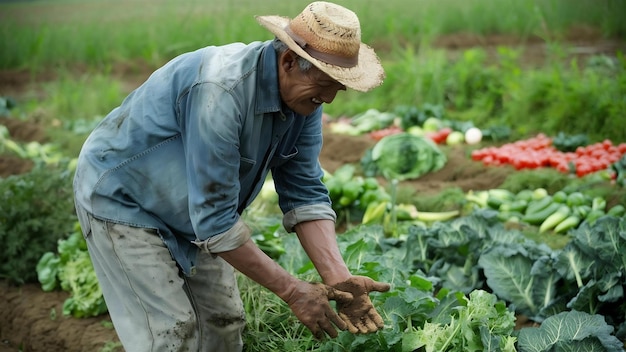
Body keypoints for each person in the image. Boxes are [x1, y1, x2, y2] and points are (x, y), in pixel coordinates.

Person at [73, 1, 390, 351]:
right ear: (288, 61)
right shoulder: (221, 92)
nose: (329, 98)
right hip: (125, 198)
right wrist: (292, 291)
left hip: (193, 206)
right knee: (171, 332)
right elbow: (214, 220)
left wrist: (340, 280)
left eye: (338, 88)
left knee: (223, 322)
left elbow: (305, 192)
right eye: (326, 83)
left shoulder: (305, 101)